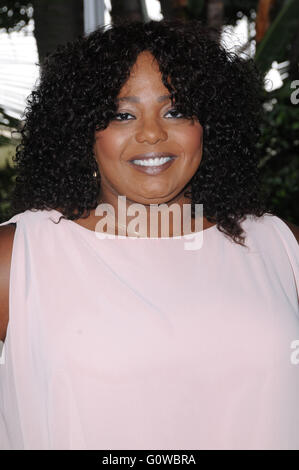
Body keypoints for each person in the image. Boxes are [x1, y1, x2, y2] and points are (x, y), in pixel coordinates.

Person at [0, 18, 298, 450]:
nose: (152, 133)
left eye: (175, 110)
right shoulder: (18, 259)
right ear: (83, 131)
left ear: (208, 124)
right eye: (122, 114)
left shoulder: (281, 246)